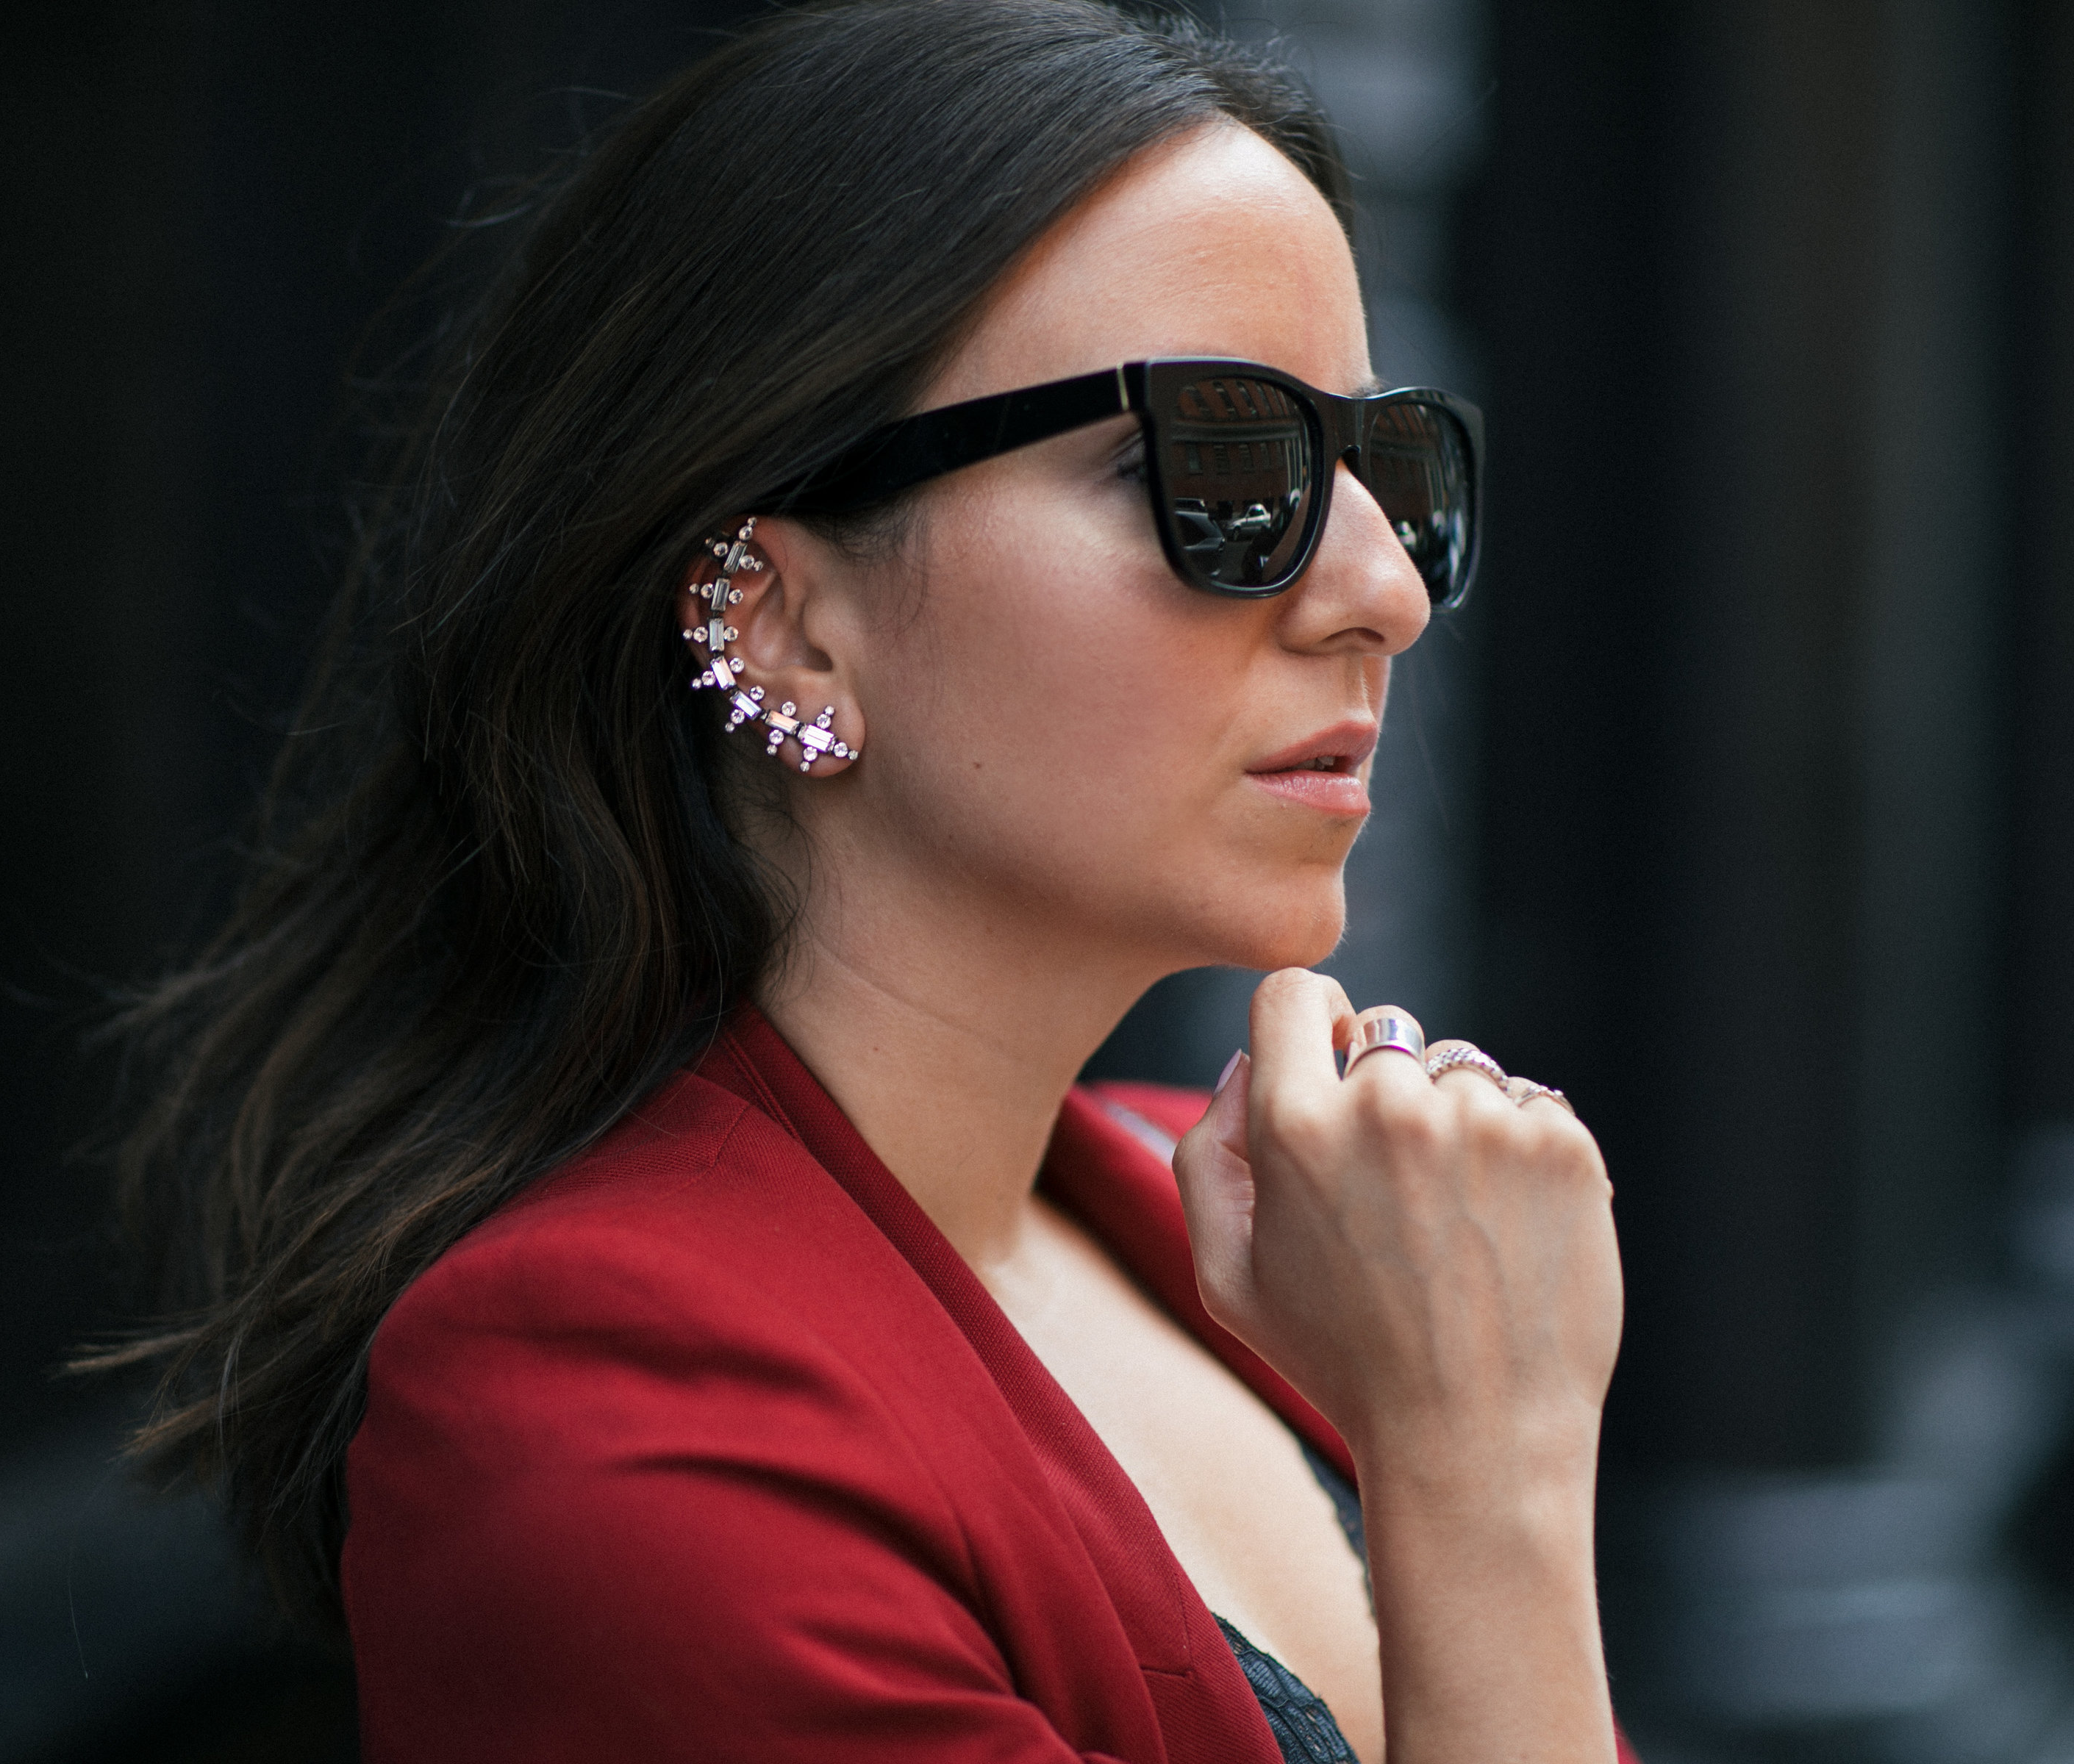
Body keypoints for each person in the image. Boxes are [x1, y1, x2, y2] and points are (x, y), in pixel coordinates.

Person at [97, 3, 1627, 1760]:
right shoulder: (611, 1422)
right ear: (789, 624)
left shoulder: (1230, 1230)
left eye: (1391, 468)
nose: (1382, 589)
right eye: (1219, 469)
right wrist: (1483, 1477)